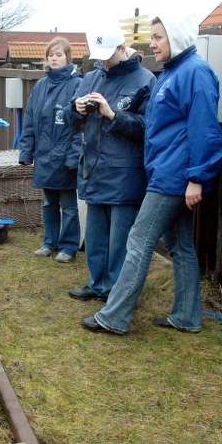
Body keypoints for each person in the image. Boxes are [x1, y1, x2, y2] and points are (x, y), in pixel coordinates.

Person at [80, 15, 222, 335]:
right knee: (180, 245)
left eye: (159, 37)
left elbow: (205, 130)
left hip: (173, 177)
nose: (153, 43)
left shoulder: (195, 73)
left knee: (138, 241)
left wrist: (197, 178)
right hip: (164, 172)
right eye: (152, 37)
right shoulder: (172, 72)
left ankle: (114, 316)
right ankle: (186, 316)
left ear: (178, 37)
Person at [66, 29, 155, 302]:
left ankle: (118, 292)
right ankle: (97, 283)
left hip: (125, 174)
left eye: (109, 56)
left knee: (120, 242)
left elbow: (148, 128)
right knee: (95, 236)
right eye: (100, 57)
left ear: (122, 47)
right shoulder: (91, 78)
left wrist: (112, 114)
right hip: (93, 169)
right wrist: (75, 109)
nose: (104, 63)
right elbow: (73, 122)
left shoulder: (145, 80)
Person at [18, 37, 83, 262]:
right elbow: (29, 120)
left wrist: (74, 156)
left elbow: (80, 126)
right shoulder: (40, 86)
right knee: (48, 203)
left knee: (68, 205)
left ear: (68, 57)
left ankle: (69, 246)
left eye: (59, 55)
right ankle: (49, 242)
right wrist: (26, 151)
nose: (54, 59)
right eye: (51, 55)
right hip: (44, 156)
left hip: (65, 157)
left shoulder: (77, 84)